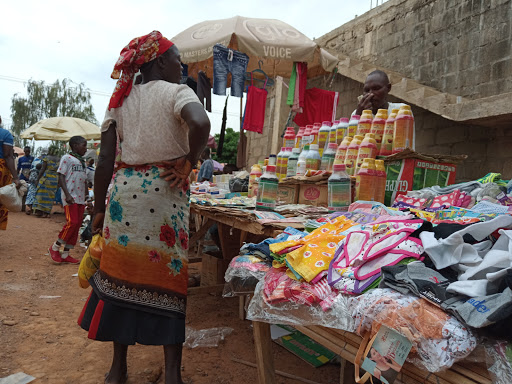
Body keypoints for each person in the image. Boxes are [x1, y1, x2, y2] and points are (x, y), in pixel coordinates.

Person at [77, 31, 210, 384]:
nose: (181, 69)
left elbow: (105, 160)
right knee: (166, 278)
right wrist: (188, 160)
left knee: (120, 277)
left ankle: (118, 369)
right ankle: (171, 375)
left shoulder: (119, 100)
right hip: (165, 193)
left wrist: (98, 210)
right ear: (159, 62)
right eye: (177, 61)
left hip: (124, 195)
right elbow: (201, 123)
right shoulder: (178, 93)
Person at [48, 136, 88, 264]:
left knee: (77, 226)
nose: (86, 148)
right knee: (73, 222)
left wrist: (88, 198)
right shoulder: (67, 158)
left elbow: (85, 181)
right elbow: (61, 176)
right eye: (84, 145)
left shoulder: (82, 161)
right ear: (75, 145)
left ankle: (65, 254)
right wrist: (67, 194)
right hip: (71, 196)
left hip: (81, 198)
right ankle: (54, 247)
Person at [0, 116, 21, 230]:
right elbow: (8, 156)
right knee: (1, 199)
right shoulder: (5, 134)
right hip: (1, 171)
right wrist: (16, 177)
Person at [32, 146, 60, 217]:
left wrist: (38, 179)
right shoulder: (59, 159)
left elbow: (42, 169)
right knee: (50, 196)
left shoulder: (46, 158)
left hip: (46, 178)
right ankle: (46, 212)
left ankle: (40, 211)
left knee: (41, 194)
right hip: (54, 180)